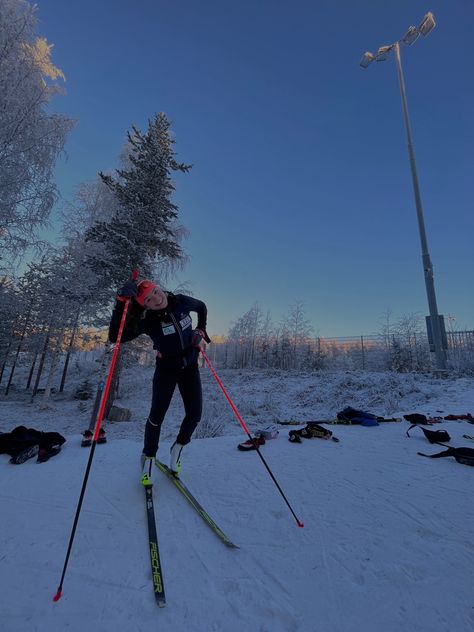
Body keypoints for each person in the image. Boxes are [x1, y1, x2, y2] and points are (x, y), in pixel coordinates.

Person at [108, 279, 211, 486]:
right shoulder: (148, 320)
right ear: (144, 305)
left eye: (156, 291)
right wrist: (120, 302)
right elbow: (115, 336)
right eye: (148, 299)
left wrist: (200, 330)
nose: (156, 298)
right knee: (156, 417)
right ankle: (148, 458)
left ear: (159, 288)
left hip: (190, 366)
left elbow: (202, 307)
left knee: (195, 414)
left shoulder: (180, 301)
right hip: (166, 370)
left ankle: (178, 448)